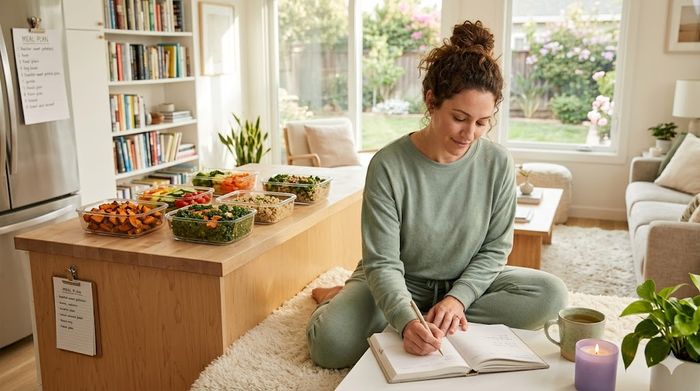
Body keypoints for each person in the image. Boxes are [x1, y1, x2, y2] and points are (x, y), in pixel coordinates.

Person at [306, 20, 568, 369]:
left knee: (551, 295)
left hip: (463, 283)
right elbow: (382, 262)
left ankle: (426, 316)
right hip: (398, 278)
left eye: (482, 122)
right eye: (459, 118)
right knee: (331, 345)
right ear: (432, 101)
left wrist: (458, 300)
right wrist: (406, 319)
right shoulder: (388, 164)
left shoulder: (498, 163)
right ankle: (346, 299)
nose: (469, 133)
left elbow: (496, 249)